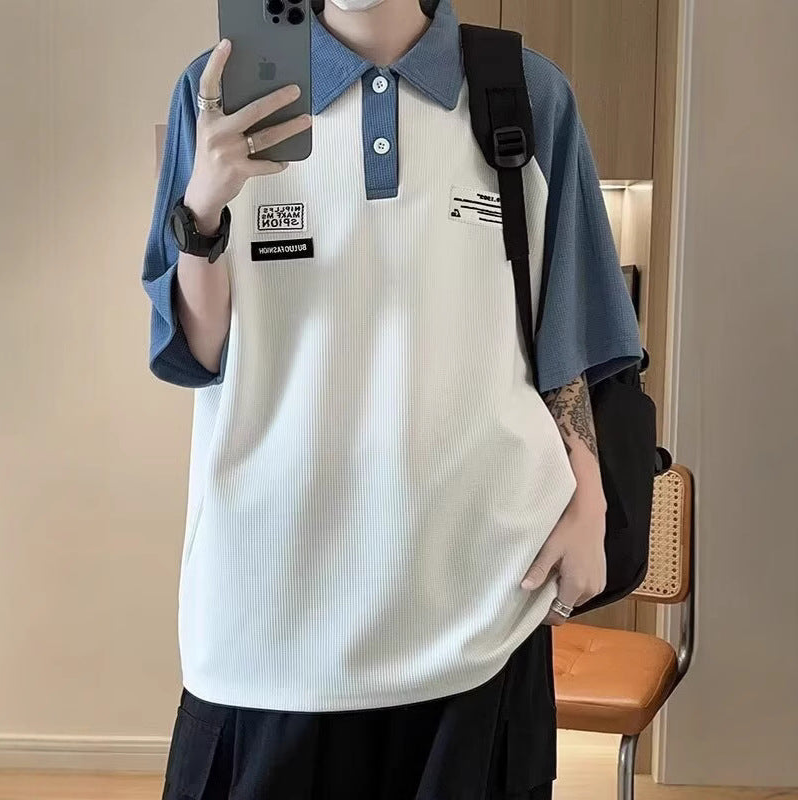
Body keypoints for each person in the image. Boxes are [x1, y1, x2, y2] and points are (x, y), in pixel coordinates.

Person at [142, 0, 642, 796]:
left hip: (480, 601)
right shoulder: (216, 90)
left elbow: (568, 330)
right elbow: (198, 352)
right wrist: (204, 204)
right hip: (267, 608)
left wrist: (590, 504)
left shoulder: (523, 91)